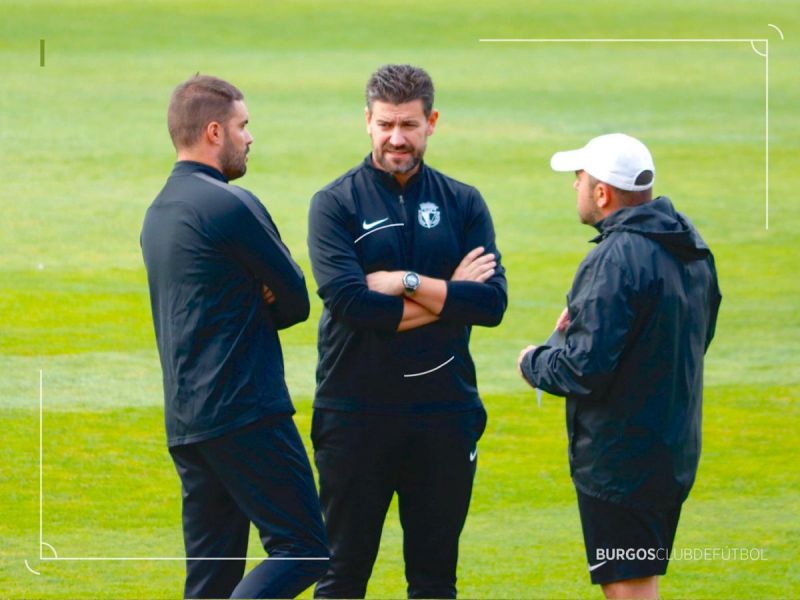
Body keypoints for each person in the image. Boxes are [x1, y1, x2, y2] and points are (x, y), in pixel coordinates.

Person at [307, 64, 507, 599]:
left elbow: (491, 303)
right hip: (355, 414)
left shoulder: (463, 202)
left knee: (435, 581)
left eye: (410, 125)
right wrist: (450, 294)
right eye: (386, 124)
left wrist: (406, 282)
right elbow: (352, 304)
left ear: (431, 122)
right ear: (367, 122)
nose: (397, 138)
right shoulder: (335, 203)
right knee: (341, 577)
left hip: (444, 414)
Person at [140, 74, 328, 599]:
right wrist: (258, 295)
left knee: (211, 578)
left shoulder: (157, 214)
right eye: (243, 126)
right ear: (214, 131)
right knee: (303, 547)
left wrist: (249, 294)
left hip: (188, 422)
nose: (250, 137)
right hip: (246, 410)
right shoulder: (230, 204)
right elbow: (295, 300)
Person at [517, 133, 721, 599]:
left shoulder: (613, 259)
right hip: (670, 448)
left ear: (602, 193)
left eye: (579, 177)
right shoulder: (689, 243)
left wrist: (533, 361)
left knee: (627, 587)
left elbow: (583, 369)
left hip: (621, 463)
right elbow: (691, 336)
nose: (575, 186)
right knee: (639, 580)